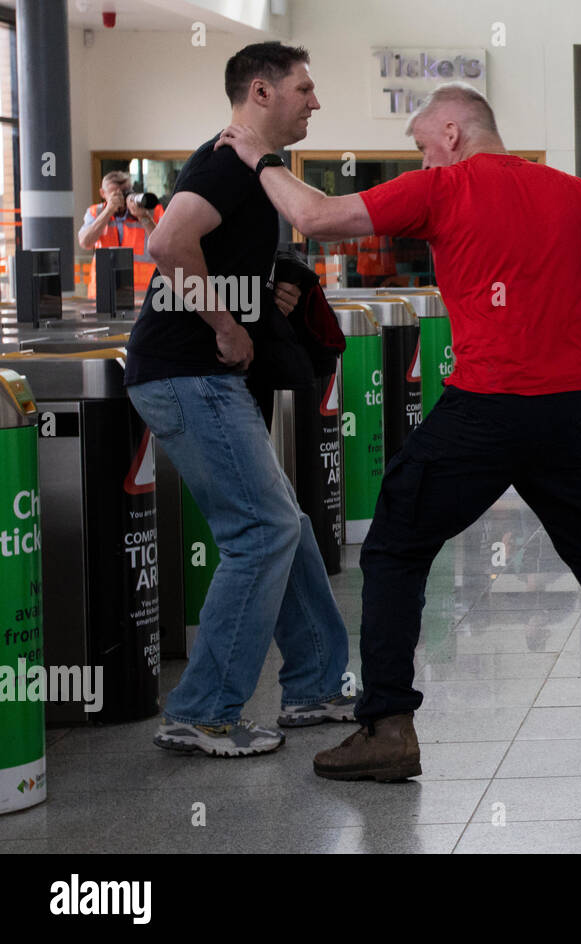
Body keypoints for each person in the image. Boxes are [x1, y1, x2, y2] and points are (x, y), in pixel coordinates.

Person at [218, 82, 581, 782]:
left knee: (396, 546)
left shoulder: (444, 187)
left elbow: (317, 217)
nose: (422, 159)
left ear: (453, 134)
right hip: (570, 410)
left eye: (424, 145)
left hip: (486, 407)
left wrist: (259, 157)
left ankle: (389, 727)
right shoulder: (575, 193)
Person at [124, 41, 355, 757]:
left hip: (201, 375)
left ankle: (315, 683)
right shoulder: (224, 162)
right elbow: (168, 241)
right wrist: (224, 325)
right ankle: (203, 710)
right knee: (261, 530)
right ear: (261, 92)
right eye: (304, 89)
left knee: (282, 524)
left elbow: (216, 249)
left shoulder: (254, 171)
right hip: (186, 373)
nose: (315, 102)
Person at [77, 170, 163, 300]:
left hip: (143, 294)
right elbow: (85, 242)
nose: (122, 197)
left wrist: (143, 217)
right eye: (115, 194)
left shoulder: (151, 211)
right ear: (103, 194)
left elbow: (163, 245)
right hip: (104, 292)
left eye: (125, 191)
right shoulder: (96, 212)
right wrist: (109, 210)